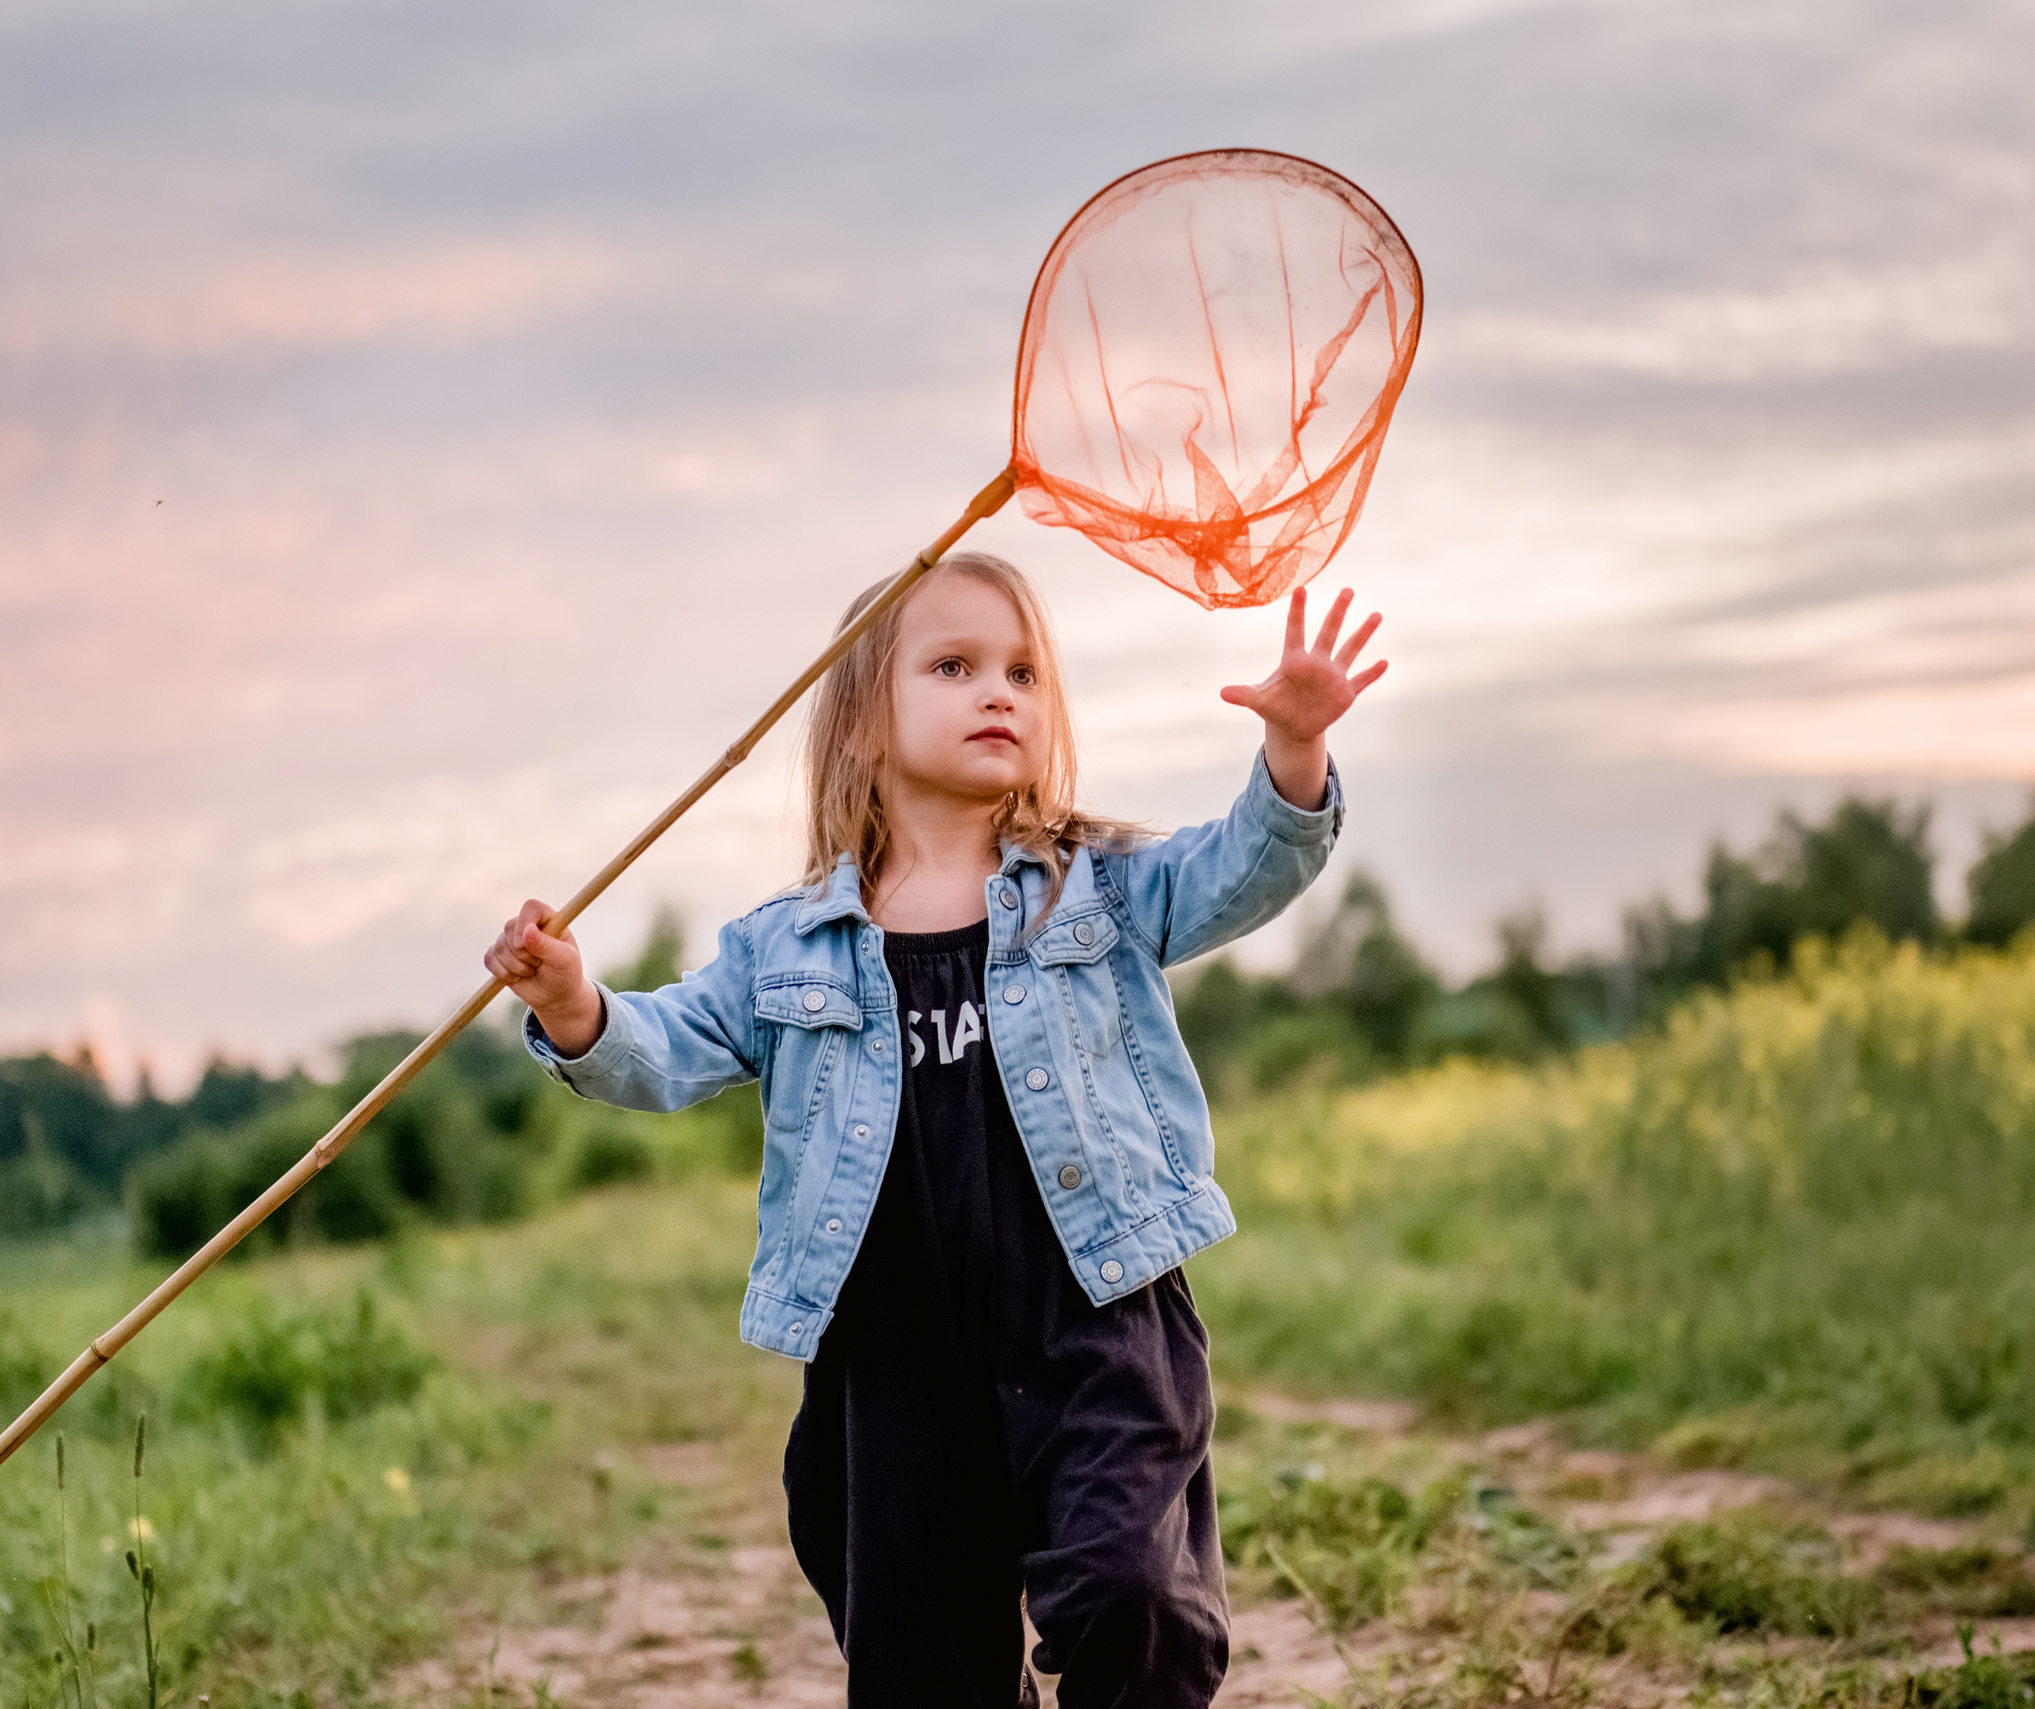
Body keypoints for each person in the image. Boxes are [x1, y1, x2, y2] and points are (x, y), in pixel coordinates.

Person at [486, 551, 1384, 1708]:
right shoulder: (785, 948)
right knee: (916, 1660)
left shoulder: (1097, 889)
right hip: (890, 1349)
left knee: (1133, 1593)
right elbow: (661, 1048)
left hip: (1094, 1316)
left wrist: (1295, 751)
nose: (998, 691)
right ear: (860, 720)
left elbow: (1239, 871)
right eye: (953, 666)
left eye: (1021, 670)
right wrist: (569, 1002)